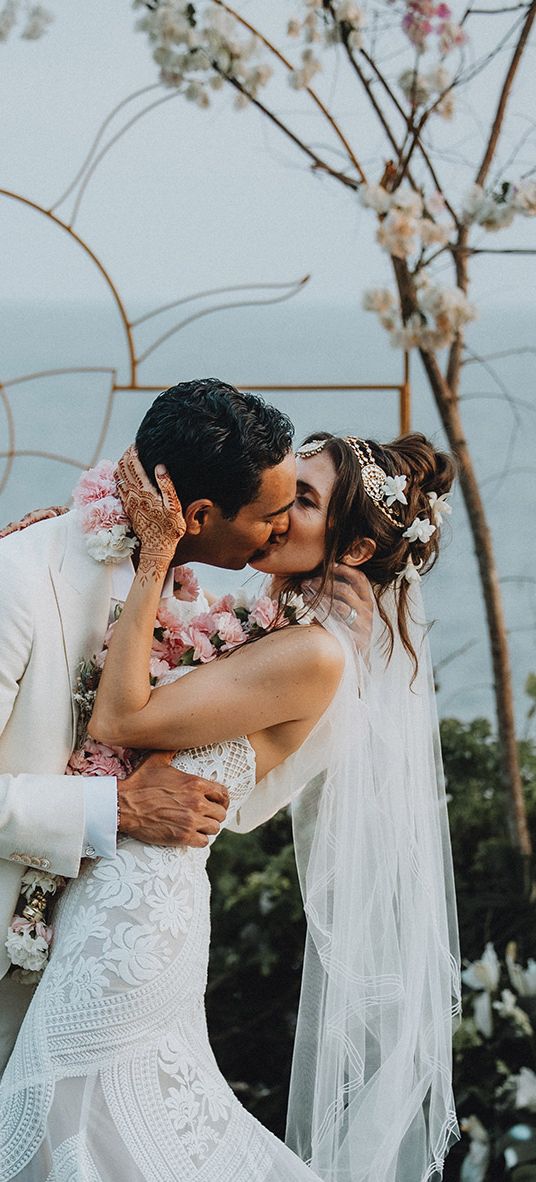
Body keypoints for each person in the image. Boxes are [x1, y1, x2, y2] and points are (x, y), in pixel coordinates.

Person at [0, 427, 460, 1182]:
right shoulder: (276, 634)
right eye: (282, 490)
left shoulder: (312, 653)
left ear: (349, 551)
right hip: (111, 899)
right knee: (87, 1129)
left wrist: (154, 558)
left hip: (135, 913)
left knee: (65, 1123)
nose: (275, 511)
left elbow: (121, 721)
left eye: (303, 502)